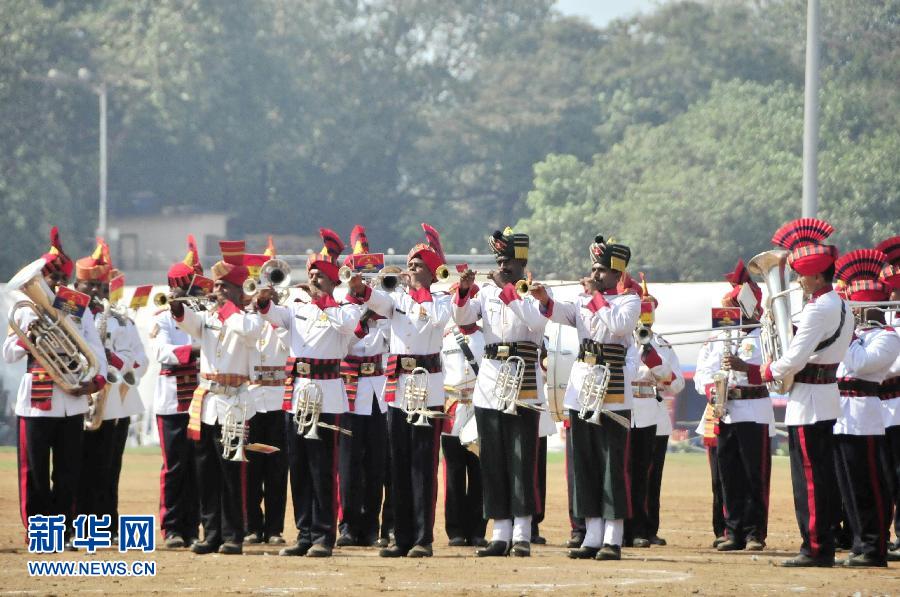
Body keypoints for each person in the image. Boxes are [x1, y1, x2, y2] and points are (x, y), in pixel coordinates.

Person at [727, 218, 854, 567]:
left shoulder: (817, 308)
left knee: (810, 481)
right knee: (823, 479)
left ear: (815, 277)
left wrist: (757, 370)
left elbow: (794, 358)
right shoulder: (841, 304)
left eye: (802, 275)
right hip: (826, 396)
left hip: (808, 400)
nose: (798, 280)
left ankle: (814, 547)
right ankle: (821, 544)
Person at [256, 229, 364, 558]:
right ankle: (304, 531)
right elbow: (275, 315)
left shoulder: (344, 308)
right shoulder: (297, 304)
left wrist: (323, 299)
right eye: (311, 274)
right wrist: (263, 301)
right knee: (299, 465)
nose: (313, 278)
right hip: (298, 390)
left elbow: (348, 327)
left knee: (321, 467)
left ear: (332, 281)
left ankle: (323, 534)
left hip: (327, 392)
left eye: (319, 275)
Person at [533, 235, 640, 561]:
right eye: (593, 269)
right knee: (586, 464)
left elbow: (619, 327)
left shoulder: (629, 300)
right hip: (582, 388)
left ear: (616, 273)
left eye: (601, 270)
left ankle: (613, 537)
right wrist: (543, 297)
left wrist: (595, 296)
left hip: (613, 388)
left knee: (612, 465)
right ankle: (591, 534)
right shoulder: (583, 300)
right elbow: (558, 313)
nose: (595, 274)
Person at [3, 227, 108, 548]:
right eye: (50, 280)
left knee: (67, 473)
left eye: (60, 279)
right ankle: (39, 532)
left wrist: (93, 382)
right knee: (34, 473)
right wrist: (30, 339)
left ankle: (64, 532)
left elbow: (95, 350)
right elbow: (8, 353)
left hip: (72, 399)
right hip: (35, 402)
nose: (56, 286)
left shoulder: (78, 307)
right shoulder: (23, 309)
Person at [356, 223, 451, 558]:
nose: (411, 270)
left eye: (417, 265)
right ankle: (402, 535)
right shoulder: (396, 300)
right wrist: (358, 285)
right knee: (397, 464)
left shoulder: (441, 299)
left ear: (430, 271)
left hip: (428, 386)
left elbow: (438, 320)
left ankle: (423, 538)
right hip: (398, 386)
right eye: (410, 265)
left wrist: (422, 291)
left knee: (423, 465)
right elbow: (375, 299)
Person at [454, 227, 549, 558]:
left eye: (507, 260)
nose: (502, 265)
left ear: (520, 262)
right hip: (492, 379)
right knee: (492, 458)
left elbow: (536, 324)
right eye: (499, 260)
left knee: (522, 458)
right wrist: (465, 292)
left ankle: (522, 531)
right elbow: (463, 319)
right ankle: (499, 530)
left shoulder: (534, 292)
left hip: (523, 377)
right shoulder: (487, 292)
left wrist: (507, 289)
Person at [172, 240, 265, 555]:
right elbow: (192, 325)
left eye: (225, 286)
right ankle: (210, 532)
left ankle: (233, 534)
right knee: (205, 471)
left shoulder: (250, 317)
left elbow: (247, 332)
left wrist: (226, 305)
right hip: (208, 400)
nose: (218, 291)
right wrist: (177, 306)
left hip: (235, 401)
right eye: (218, 286)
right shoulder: (211, 315)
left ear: (239, 290)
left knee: (231, 471)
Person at [697, 261, 773, 552]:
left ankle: (755, 533)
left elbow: (773, 372)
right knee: (728, 474)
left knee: (755, 474)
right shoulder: (719, 337)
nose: (729, 314)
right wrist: (710, 389)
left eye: (734, 308)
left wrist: (746, 367)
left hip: (753, 409)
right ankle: (733, 531)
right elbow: (704, 370)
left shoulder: (765, 336)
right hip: (726, 409)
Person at [830, 249, 900, 567]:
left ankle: (875, 546)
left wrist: (843, 334)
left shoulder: (886, 338)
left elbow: (859, 365)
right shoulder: (856, 336)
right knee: (849, 486)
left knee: (870, 483)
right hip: (842, 414)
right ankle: (860, 541)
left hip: (865, 414)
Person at [337, 226, 391, 548]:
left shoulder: (383, 302)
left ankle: (371, 525)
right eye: (357, 274)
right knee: (348, 463)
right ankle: (347, 524)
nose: (363, 280)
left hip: (379, 390)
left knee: (376, 463)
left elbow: (393, 341)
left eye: (368, 274)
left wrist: (378, 312)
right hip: (348, 389)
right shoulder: (340, 306)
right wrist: (362, 322)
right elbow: (339, 346)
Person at [151, 236, 203, 548]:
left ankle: (191, 525)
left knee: (198, 465)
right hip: (172, 399)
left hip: (198, 398)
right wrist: (197, 349)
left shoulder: (203, 315)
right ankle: (171, 527)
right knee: (174, 466)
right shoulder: (161, 317)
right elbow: (163, 353)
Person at [627, 274, 683, 547]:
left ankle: (648, 528)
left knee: (651, 476)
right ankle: (627, 528)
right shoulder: (622, 341)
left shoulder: (663, 345)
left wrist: (661, 376)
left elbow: (679, 383)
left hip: (653, 413)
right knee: (628, 473)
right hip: (627, 411)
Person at [243, 238, 289, 546]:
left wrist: (272, 314)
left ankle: (274, 529)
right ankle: (250, 526)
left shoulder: (286, 317)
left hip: (278, 398)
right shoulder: (244, 319)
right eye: (263, 283)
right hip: (249, 398)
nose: (267, 289)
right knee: (249, 468)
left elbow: (289, 345)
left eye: (271, 282)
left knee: (276, 468)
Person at [440, 318, 487, 547]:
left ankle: (477, 529)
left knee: (479, 474)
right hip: (453, 408)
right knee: (454, 473)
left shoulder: (486, 336)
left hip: (478, 407)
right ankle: (455, 529)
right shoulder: (444, 337)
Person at [874, 236, 900, 561]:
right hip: (883, 408)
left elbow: (893, 364)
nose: (891, 294)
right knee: (886, 474)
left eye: (895, 288)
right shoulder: (887, 318)